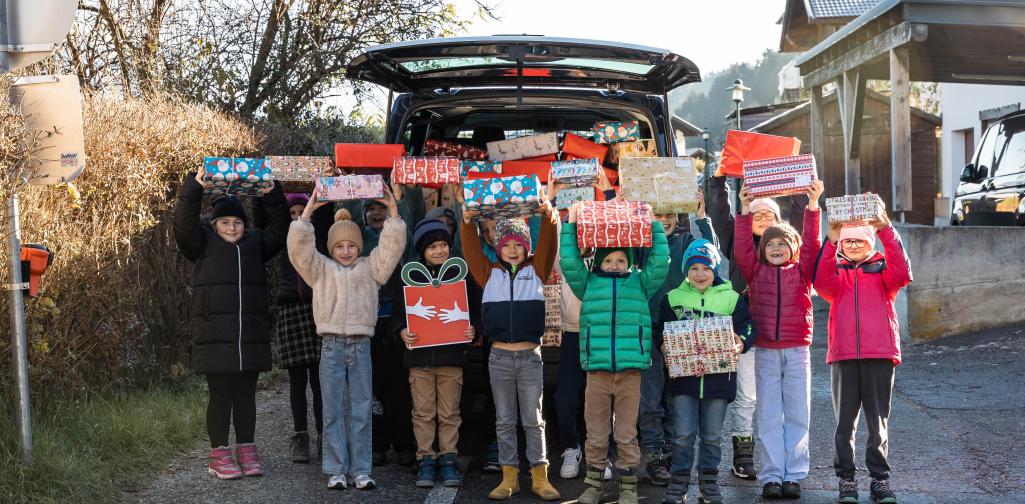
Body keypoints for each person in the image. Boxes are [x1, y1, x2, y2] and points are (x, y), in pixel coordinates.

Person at [286, 188, 407, 491]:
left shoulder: (371, 268)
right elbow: (298, 248)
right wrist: (309, 209)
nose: (345, 250)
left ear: (360, 245)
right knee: (332, 409)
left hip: (361, 344)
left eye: (351, 245)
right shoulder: (320, 269)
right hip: (331, 346)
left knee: (362, 409)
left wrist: (393, 210)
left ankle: (361, 470)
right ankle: (336, 469)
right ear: (330, 248)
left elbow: (391, 248)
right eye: (338, 245)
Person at [173, 171, 289, 480]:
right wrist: (193, 186)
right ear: (214, 225)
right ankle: (219, 454)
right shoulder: (202, 243)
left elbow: (280, 229)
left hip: (249, 337)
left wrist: (273, 192)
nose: (232, 227)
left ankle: (247, 450)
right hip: (215, 336)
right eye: (225, 222)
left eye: (237, 222)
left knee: (247, 396)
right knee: (221, 395)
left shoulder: (255, 243)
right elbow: (183, 226)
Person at [559, 200, 669, 504]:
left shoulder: (640, 284)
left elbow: (660, 261)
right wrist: (571, 224)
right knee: (595, 431)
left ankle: (628, 486)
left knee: (626, 433)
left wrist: (655, 224)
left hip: (630, 372)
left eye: (621, 261)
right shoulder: (588, 285)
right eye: (609, 261)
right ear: (599, 263)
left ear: (630, 263)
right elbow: (569, 260)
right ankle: (593, 484)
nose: (615, 265)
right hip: (597, 371)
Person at [460, 201, 561, 501]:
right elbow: (470, 250)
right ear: (497, 247)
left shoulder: (537, 269)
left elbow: (549, 243)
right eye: (507, 244)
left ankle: (540, 476)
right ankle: (509, 477)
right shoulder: (487, 273)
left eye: (519, 244)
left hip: (530, 357)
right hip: (499, 357)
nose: (514, 249)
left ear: (527, 247)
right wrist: (466, 223)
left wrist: (550, 217)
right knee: (504, 420)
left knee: (533, 419)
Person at [814, 206, 912, 504]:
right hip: (843, 356)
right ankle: (846, 480)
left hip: (879, 354)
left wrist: (885, 229)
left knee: (877, 422)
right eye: (848, 241)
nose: (853, 245)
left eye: (859, 240)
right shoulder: (836, 273)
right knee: (845, 423)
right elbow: (819, 281)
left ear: (871, 242)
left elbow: (904, 271)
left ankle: (879, 480)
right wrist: (829, 242)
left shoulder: (884, 271)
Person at [734, 180, 823, 499]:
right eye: (770, 245)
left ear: (793, 248)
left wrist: (813, 206)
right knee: (769, 414)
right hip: (766, 351)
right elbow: (742, 246)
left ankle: (794, 475)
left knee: (798, 412)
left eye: (782, 244)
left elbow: (813, 244)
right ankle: (772, 475)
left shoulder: (803, 272)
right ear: (763, 249)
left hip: (798, 349)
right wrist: (744, 210)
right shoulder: (754, 270)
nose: (775, 248)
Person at [657, 239, 755, 504]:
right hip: (684, 381)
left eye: (706, 268)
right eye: (694, 268)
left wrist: (741, 341)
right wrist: (663, 345)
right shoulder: (673, 298)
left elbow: (748, 327)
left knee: (712, 437)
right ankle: (679, 484)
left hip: (718, 381)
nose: (700, 274)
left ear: (715, 269)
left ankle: (708, 484)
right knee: (683, 435)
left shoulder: (731, 298)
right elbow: (660, 330)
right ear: (685, 270)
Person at [708, 176, 787, 480]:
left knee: (776, 398)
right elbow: (720, 214)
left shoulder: (785, 248)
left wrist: (801, 188)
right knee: (747, 397)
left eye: (770, 214)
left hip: (780, 334)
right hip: (744, 332)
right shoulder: (735, 241)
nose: (764, 219)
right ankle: (742, 454)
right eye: (758, 214)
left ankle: (777, 455)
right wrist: (719, 181)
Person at [393, 218, 480, 488]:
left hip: (452, 358)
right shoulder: (409, 276)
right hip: (419, 360)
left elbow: (475, 311)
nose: (440, 250)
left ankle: (449, 459)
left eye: (444, 245)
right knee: (422, 412)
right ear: (422, 251)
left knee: (449, 412)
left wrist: (474, 330)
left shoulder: (462, 276)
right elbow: (398, 314)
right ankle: (426, 460)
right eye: (433, 247)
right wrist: (401, 332)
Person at [639, 192, 718, 486]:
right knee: (649, 400)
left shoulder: (686, 242)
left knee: (676, 397)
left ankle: (674, 454)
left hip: (680, 331)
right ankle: (654, 456)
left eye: (669, 214)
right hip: (646, 331)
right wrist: (620, 204)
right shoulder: (642, 245)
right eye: (657, 215)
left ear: (677, 216)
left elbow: (711, 255)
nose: (663, 220)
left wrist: (701, 215)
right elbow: (617, 248)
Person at [273, 193, 331, 463]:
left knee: (320, 380)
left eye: (302, 211)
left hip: (317, 308)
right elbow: (265, 213)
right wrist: (268, 187)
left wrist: (324, 186)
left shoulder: (319, 240)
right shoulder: (280, 240)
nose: (298, 217)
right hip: (289, 310)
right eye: (292, 213)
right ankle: (300, 437)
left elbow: (324, 212)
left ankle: (324, 435)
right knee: (297, 382)